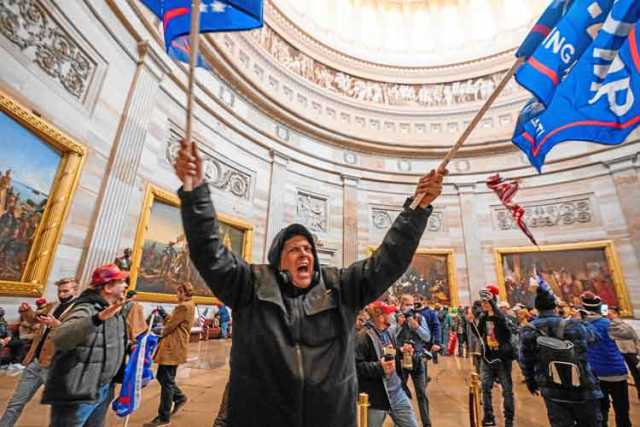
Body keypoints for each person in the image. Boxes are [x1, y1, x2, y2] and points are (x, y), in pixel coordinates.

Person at [174, 139, 446, 426]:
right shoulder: (251, 285)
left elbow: (388, 260)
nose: (304, 253)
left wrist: (418, 208)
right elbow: (209, 252)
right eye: (294, 249)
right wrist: (195, 194)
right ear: (279, 260)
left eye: (308, 249)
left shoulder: (341, 287)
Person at [42, 264, 129, 427]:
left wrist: (131, 348)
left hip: (103, 387)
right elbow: (61, 337)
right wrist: (97, 318)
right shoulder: (86, 308)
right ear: (108, 287)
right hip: (79, 390)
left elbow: (108, 340)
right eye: (121, 282)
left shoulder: (114, 310)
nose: (125, 285)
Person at [519, 281, 603, 427]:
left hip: (552, 386)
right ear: (555, 307)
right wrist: (582, 319)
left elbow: (526, 360)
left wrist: (531, 382)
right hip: (583, 385)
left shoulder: (529, 330)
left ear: (537, 308)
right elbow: (595, 338)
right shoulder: (574, 325)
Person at [0, 278, 78, 427]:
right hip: (35, 362)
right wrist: (26, 311)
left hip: (55, 366)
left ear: (75, 290)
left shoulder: (80, 309)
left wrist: (57, 325)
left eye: (66, 291)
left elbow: (75, 334)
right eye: (60, 291)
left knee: (60, 411)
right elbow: (33, 320)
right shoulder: (53, 306)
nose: (62, 294)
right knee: (15, 403)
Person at [356, 301, 418, 427]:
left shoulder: (389, 332)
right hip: (377, 398)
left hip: (397, 393)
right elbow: (355, 366)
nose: (392, 315)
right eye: (389, 313)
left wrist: (401, 351)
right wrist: (379, 367)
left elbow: (390, 353)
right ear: (380, 316)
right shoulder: (363, 336)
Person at [145, 283, 196, 426]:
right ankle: (179, 397)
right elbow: (174, 321)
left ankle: (163, 417)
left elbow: (170, 327)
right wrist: (163, 314)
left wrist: (155, 332)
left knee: (166, 381)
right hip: (175, 346)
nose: (176, 295)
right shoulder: (189, 305)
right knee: (164, 377)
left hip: (172, 347)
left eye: (178, 292)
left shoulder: (183, 306)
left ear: (183, 292)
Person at [581, 292, 632, 427]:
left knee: (601, 412)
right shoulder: (607, 324)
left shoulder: (580, 326)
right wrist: (614, 319)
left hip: (595, 374)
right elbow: (629, 333)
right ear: (599, 308)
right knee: (622, 412)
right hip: (615, 372)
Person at [477, 285, 515, 427]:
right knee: (485, 387)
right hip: (487, 357)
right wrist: (471, 322)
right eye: (482, 302)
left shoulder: (502, 317)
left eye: (485, 302)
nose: (483, 305)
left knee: (507, 390)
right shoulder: (483, 317)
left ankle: (509, 420)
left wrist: (496, 314)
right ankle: (488, 416)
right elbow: (479, 334)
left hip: (502, 358)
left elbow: (507, 335)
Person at [395, 294, 432, 427]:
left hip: (417, 359)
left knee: (421, 393)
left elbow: (427, 337)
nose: (410, 307)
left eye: (412, 304)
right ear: (401, 304)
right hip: (401, 360)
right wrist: (399, 326)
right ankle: (399, 423)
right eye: (407, 304)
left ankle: (427, 423)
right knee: (399, 392)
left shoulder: (419, 318)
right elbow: (390, 338)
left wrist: (417, 327)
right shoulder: (395, 318)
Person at [608, 306, 640, 400]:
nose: (609, 315)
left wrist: (638, 351)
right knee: (634, 373)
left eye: (611, 313)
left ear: (616, 314)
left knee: (637, 371)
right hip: (624, 351)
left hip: (632, 351)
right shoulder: (610, 325)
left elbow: (635, 338)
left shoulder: (623, 324)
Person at [416, 297, 441, 364]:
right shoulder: (411, 312)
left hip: (426, 341)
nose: (415, 302)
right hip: (415, 343)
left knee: (423, 362)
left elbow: (436, 326)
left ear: (422, 301)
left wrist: (437, 342)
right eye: (414, 300)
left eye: (417, 300)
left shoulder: (430, 312)